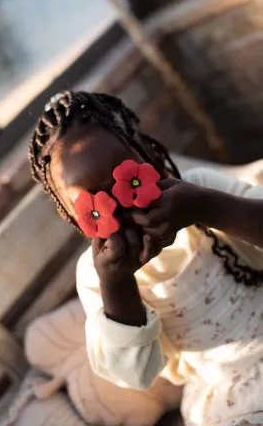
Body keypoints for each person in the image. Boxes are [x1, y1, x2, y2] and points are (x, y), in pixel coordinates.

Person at [27, 90, 263, 426]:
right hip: (230, 388)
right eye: (96, 204)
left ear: (149, 156)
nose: (120, 205)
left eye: (126, 179)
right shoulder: (97, 276)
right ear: (74, 219)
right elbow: (136, 375)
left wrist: (205, 206)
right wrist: (117, 284)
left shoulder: (196, 191)